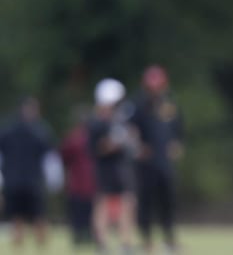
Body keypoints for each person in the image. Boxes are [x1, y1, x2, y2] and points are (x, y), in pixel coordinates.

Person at [129, 65, 184, 254]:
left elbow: (178, 129)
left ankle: (169, 240)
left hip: (165, 163)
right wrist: (138, 147)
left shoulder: (170, 104)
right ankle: (146, 241)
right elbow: (130, 131)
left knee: (168, 202)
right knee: (145, 202)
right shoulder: (138, 105)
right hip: (146, 164)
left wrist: (176, 145)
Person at [87, 78, 138, 255]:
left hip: (122, 166)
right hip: (105, 168)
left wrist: (128, 138)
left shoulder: (121, 120)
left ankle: (126, 243)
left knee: (127, 202)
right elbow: (97, 148)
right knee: (102, 203)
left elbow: (132, 140)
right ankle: (101, 243)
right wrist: (115, 142)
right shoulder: (96, 123)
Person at [0, 96, 54, 252]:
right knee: (18, 217)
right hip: (22, 181)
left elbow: (49, 158)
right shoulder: (38, 130)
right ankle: (20, 248)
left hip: (26, 181)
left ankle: (41, 247)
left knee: (37, 216)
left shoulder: (37, 130)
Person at [60, 105, 97, 248]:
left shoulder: (72, 138)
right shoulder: (93, 136)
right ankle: (89, 236)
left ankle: (79, 237)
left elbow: (63, 157)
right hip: (91, 182)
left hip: (77, 183)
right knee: (90, 213)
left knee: (78, 214)